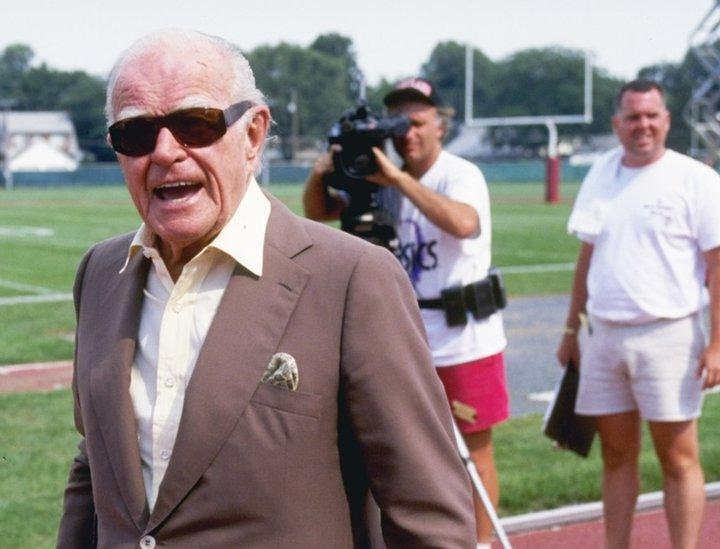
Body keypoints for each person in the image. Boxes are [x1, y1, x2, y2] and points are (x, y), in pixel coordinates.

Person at [57, 30, 475, 548]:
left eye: (194, 124)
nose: (165, 152)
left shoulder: (351, 279)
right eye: (136, 133)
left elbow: (429, 517)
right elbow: (93, 463)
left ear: (253, 135)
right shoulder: (101, 273)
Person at [304, 77, 509, 548]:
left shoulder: (459, 174)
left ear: (440, 124)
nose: (408, 135)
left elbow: (463, 222)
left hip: (464, 337)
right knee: (407, 451)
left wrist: (398, 179)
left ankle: (478, 544)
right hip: (410, 334)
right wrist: (322, 172)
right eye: (400, 125)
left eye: (417, 123)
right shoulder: (382, 176)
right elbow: (317, 212)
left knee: (473, 455)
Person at [556, 79, 720, 549]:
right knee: (615, 455)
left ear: (666, 120)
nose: (642, 126)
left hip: (669, 334)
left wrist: (717, 344)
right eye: (632, 117)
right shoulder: (601, 173)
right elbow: (587, 257)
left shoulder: (696, 179)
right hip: (604, 335)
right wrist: (572, 328)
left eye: (651, 116)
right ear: (616, 124)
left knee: (678, 458)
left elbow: (717, 265)